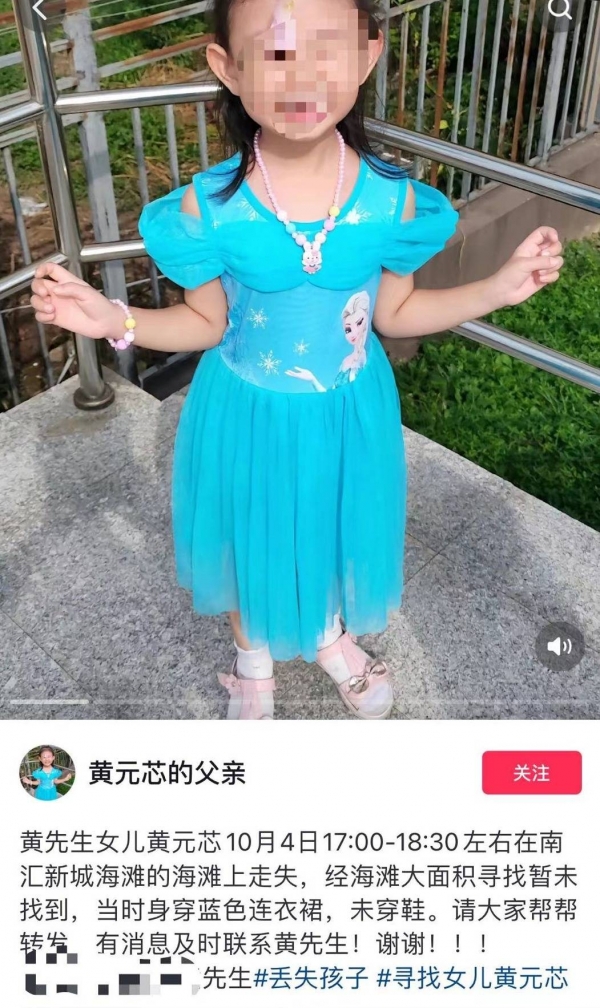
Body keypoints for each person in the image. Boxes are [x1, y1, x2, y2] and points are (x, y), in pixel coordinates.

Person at [29, 0, 564, 721]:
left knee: (331, 524)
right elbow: (204, 323)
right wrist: (113, 320)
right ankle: (252, 662)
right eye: (276, 53)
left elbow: (396, 313)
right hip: (244, 412)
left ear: (368, 54)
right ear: (228, 68)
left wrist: (496, 288)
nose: (303, 76)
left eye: (328, 49)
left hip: (349, 411)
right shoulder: (209, 208)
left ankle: (326, 633)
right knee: (248, 534)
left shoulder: (392, 202)